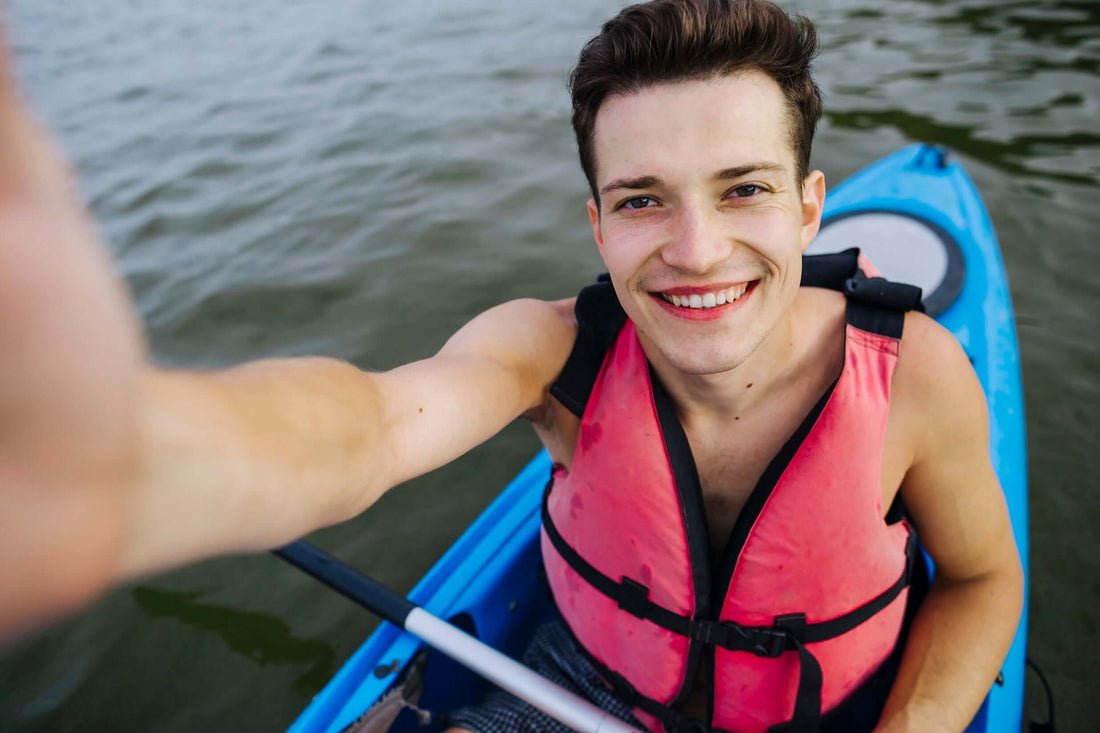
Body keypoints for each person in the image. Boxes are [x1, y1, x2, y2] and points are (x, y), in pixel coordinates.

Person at [0, 0, 1022, 731]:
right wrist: (128, 457)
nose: (696, 249)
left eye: (741, 190)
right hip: (575, 692)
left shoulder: (913, 381)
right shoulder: (551, 353)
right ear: (596, 225)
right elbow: (371, 426)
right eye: (640, 200)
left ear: (808, 208)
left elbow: (978, 579)